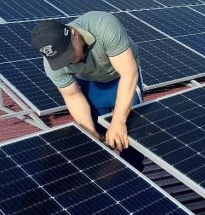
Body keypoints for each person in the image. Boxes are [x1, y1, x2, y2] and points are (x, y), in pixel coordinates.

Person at [30, 11, 141, 152]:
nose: (70, 60)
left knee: (132, 132)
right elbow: (73, 96)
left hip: (122, 77)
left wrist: (119, 121)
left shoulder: (104, 26)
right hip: (90, 83)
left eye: (69, 53)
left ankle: (135, 166)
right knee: (96, 134)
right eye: (61, 59)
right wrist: (89, 131)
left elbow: (129, 74)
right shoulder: (52, 66)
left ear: (73, 34)